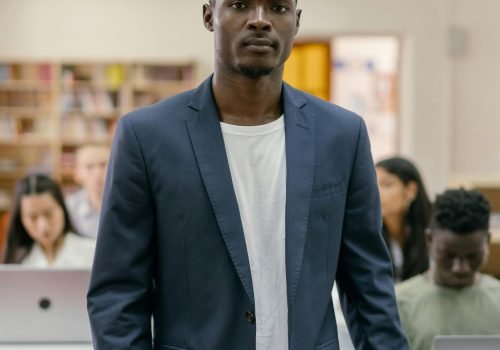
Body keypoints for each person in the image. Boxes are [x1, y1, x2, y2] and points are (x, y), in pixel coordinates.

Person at [87, 1, 408, 349]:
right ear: (209, 16)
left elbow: (368, 286)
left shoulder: (341, 135)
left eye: (278, 8)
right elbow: (118, 295)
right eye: (240, 5)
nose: (260, 21)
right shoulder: (147, 137)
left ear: (296, 22)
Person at [396, 188, 500, 350]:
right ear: (429, 239)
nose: (460, 268)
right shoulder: (399, 304)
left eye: (472, 256)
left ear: (487, 241)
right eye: (449, 256)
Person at [2, 174, 95, 267]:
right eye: (32, 217)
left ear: (62, 209)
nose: (43, 225)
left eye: (49, 214)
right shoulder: (14, 261)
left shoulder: (91, 252)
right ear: (21, 219)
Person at [376, 156, 432, 281]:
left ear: (410, 190)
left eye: (386, 185)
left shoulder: (434, 228)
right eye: (373, 184)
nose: (376, 192)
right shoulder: (369, 231)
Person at [65, 144, 110, 238]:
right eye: (89, 166)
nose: (98, 173)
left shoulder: (130, 203)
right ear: (77, 174)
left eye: (103, 164)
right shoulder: (68, 207)